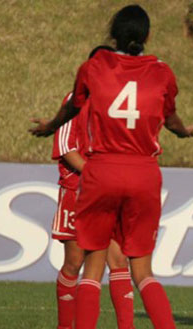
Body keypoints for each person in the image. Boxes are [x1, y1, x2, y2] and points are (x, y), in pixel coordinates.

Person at [30, 5, 193, 329]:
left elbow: (72, 107)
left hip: (103, 171)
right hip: (144, 172)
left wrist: (49, 126)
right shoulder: (162, 71)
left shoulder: (94, 66)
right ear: (148, 36)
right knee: (143, 271)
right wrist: (183, 132)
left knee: (92, 268)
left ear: (113, 34)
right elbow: (171, 120)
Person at [51, 44, 135, 329]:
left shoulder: (118, 106)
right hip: (78, 191)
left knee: (119, 259)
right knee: (75, 262)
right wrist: (98, 174)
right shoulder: (74, 101)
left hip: (109, 194)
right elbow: (66, 148)